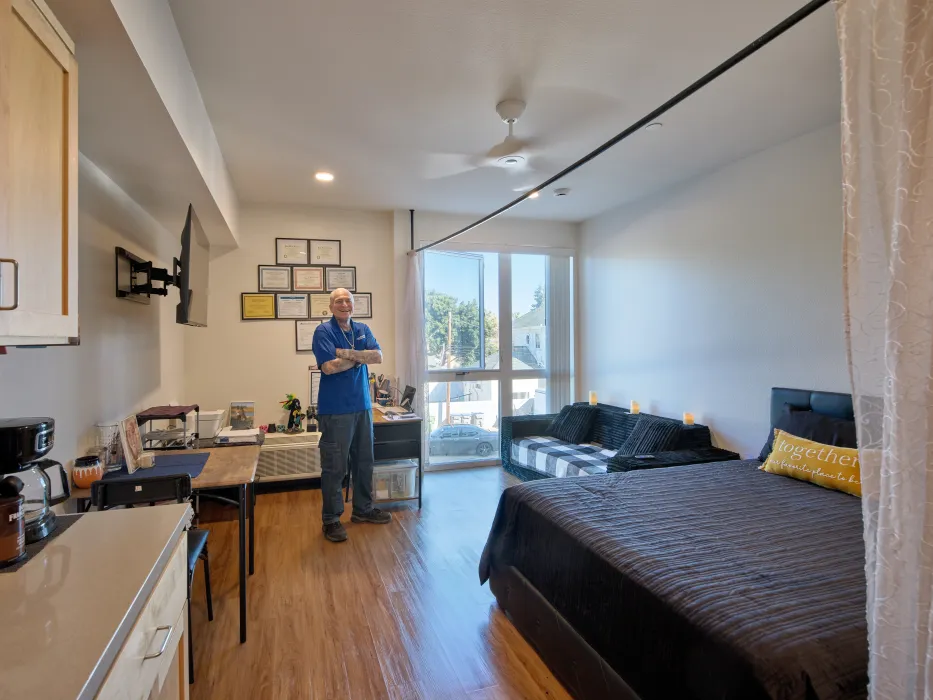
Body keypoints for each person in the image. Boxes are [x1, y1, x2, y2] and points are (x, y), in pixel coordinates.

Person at [312, 288, 392, 542]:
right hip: (335, 409)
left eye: (348, 300)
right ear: (331, 306)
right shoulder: (323, 331)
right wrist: (361, 357)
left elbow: (378, 356)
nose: (344, 304)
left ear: (353, 305)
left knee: (364, 461)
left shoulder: (362, 329)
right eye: (338, 301)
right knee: (335, 467)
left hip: (363, 406)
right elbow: (329, 368)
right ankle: (331, 519)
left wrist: (346, 354)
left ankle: (362, 509)